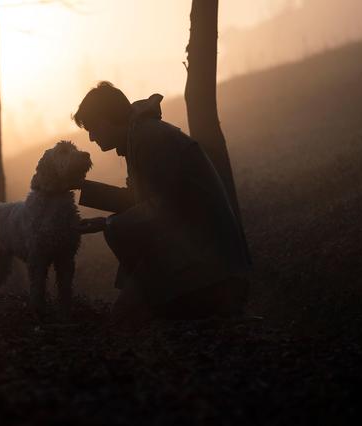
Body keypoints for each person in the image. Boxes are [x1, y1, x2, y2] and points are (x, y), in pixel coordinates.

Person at [73, 81, 251, 324]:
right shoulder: (139, 136)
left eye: (92, 129)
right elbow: (141, 199)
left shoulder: (149, 139)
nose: (92, 138)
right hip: (199, 255)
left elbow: (163, 208)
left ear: (105, 120)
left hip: (209, 267)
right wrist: (84, 188)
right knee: (128, 317)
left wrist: (108, 224)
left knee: (126, 321)